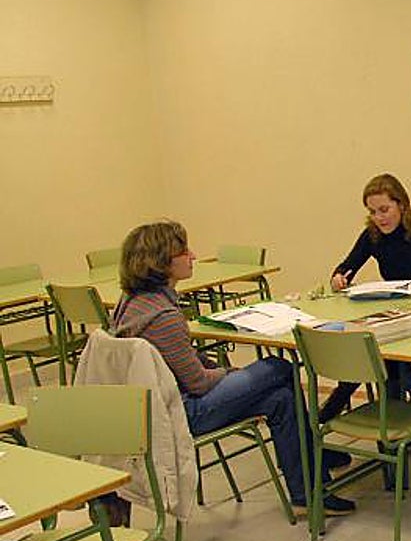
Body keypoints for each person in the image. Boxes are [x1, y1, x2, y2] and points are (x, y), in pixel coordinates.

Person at [113, 221, 354, 516]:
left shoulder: (132, 303)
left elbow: (182, 359)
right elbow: (199, 383)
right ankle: (311, 458)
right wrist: (230, 374)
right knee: (279, 367)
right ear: (161, 262)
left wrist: (228, 374)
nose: (193, 255)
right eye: (184, 251)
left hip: (156, 407)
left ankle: (306, 490)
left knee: (281, 399)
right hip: (182, 412)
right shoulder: (163, 316)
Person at [322, 173, 411, 419]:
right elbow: (347, 265)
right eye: (373, 212)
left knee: (375, 350)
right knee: (366, 348)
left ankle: (334, 413)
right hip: (393, 311)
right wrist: (338, 277)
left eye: (384, 209)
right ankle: (386, 410)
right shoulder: (372, 235)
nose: (379, 218)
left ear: (401, 205)